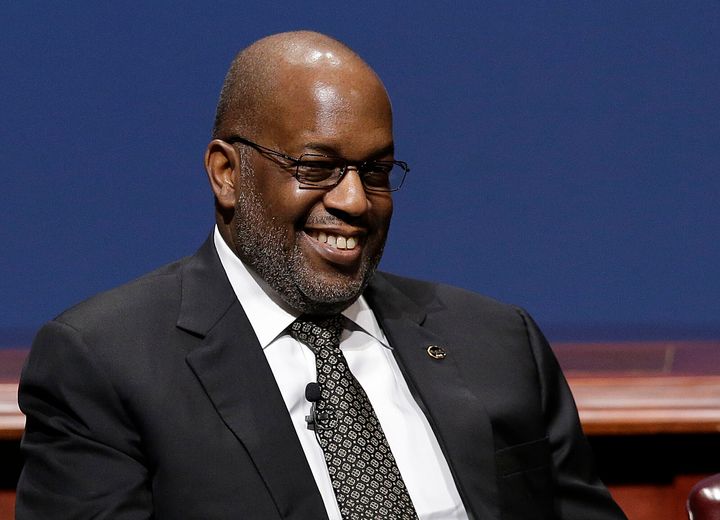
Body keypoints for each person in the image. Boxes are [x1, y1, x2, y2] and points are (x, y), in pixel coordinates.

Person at [16, 31, 627, 520]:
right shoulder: (106, 363)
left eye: (378, 170)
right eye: (317, 167)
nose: (356, 201)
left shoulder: (496, 340)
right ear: (227, 173)